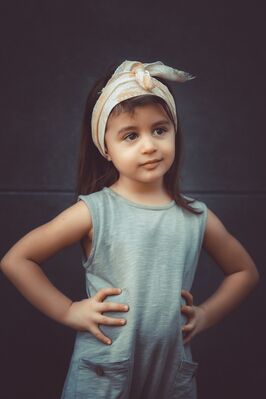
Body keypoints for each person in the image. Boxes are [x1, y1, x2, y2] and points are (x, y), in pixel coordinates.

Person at [0, 59, 259, 399]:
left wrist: (206, 315)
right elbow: (17, 260)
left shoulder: (196, 216)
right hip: (105, 369)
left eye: (160, 130)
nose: (149, 145)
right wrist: (68, 310)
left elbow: (245, 271)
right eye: (131, 135)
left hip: (170, 373)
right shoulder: (94, 211)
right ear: (106, 148)